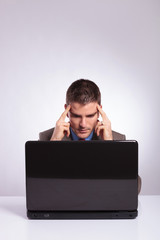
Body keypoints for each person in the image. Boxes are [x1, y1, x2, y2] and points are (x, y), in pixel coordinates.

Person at [39, 79, 141, 193]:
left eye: (90, 116)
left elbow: (132, 189)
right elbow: (39, 188)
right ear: (66, 112)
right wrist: (54, 143)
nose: (83, 124)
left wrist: (110, 146)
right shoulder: (47, 138)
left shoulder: (117, 139)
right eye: (76, 116)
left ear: (99, 111)